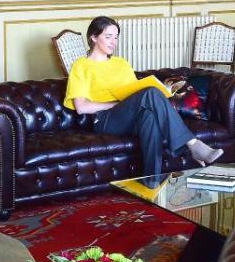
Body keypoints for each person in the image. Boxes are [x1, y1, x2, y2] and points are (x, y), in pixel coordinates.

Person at [64, 16, 223, 175]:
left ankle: (152, 181)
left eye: (116, 37)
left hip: (127, 116)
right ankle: (193, 144)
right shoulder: (81, 65)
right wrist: (115, 104)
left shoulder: (121, 63)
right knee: (151, 93)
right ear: (93, 37)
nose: (113, 42)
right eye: (108, 37)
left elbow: (136, 92)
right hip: (104, 120)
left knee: (150, 117)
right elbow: (81, 107)